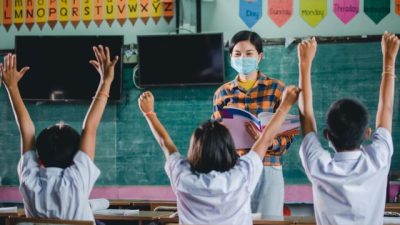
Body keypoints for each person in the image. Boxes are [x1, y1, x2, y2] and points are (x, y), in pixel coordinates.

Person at [138, 86, 300, 225]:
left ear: (194, 149)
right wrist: (284, 106)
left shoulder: (182, 174)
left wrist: (149, 113)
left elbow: (165, 143)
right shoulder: (241, 174)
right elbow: (265, 140)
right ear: (229, 148)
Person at [0, 46, 119, 221]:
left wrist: (11, 87)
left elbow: (27, 129)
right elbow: (90, 128)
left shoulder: (30, 181)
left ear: (39, 160)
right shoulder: (76, 180)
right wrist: (106, 81)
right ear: (75, 160)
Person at [297, 32, 399, 224]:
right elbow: (386, 107)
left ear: (327, 135)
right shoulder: (378, 160)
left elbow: (306, 114)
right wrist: (389, 59)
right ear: (368, 133)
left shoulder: (319, 165)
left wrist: (304, 63)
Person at [212, 30, 294, 216]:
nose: (243, 58)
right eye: (237, 54)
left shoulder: (277, 89)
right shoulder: (222, 93)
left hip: (268, 167)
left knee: (269, 220)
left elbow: (287, 138)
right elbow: (214, 138)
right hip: (234, 170)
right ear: (231, 56)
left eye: (249, 53)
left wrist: (265, 141)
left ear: (260, 56)